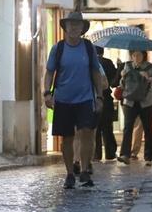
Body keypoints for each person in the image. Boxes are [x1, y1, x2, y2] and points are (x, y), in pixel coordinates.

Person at [44, 11, 108, 189]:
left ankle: (86, 170)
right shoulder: (58, 49)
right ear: (65, 27)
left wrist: (99, 96)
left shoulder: (88, 48)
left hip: (85, 98)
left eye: (77, 25)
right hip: (64, 99)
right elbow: (49, 72)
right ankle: (70, 173)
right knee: (67, 138)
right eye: (71, 25)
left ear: (82, 29)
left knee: (87, 132)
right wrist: (46, 93)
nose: (74, 28)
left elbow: (96, 72)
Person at [117, 50, 152, 166]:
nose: (136, 57)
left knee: (147, 128)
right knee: (128, 127)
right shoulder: (127, 66)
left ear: (143, 55)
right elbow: (122, 85)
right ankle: (125, 154)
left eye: (139, 55)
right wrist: (122, 77)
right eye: (134, 55)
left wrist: (149, 78)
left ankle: (148, 157)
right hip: (130, 102)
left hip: (146, 102)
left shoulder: (150, 67)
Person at [93, 46, 118, 163]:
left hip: (93, 98)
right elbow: (114, 82)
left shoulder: (90, 62)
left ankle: (96, 154)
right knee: (107, 127)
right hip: (106, 98)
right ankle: (110, 153)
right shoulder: (108, 62)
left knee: (95, 128)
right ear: (102, 52)